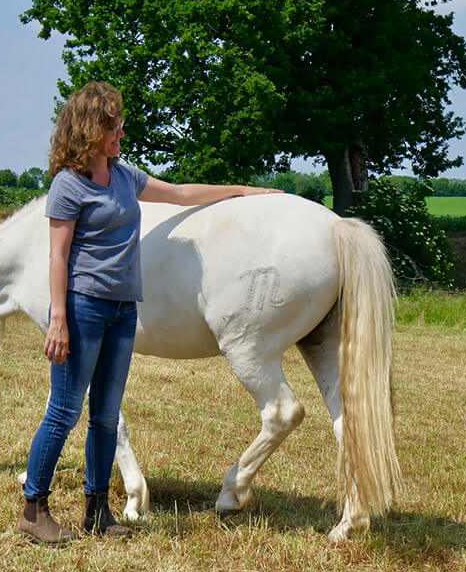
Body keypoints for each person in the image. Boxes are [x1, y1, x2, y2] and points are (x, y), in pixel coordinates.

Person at [18, 81, 280, 544]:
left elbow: (179, 193)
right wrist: (58, 317)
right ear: (88, 129)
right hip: (82, 308)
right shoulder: (67, 185)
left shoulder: (124, 176)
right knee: (64, 411)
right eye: (112, 125)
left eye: (120, 124)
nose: (121, 132)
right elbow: (57, 257)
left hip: (123, 311)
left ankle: (97, 509)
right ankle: (34, 509)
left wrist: (241, 191)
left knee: (105, 414)